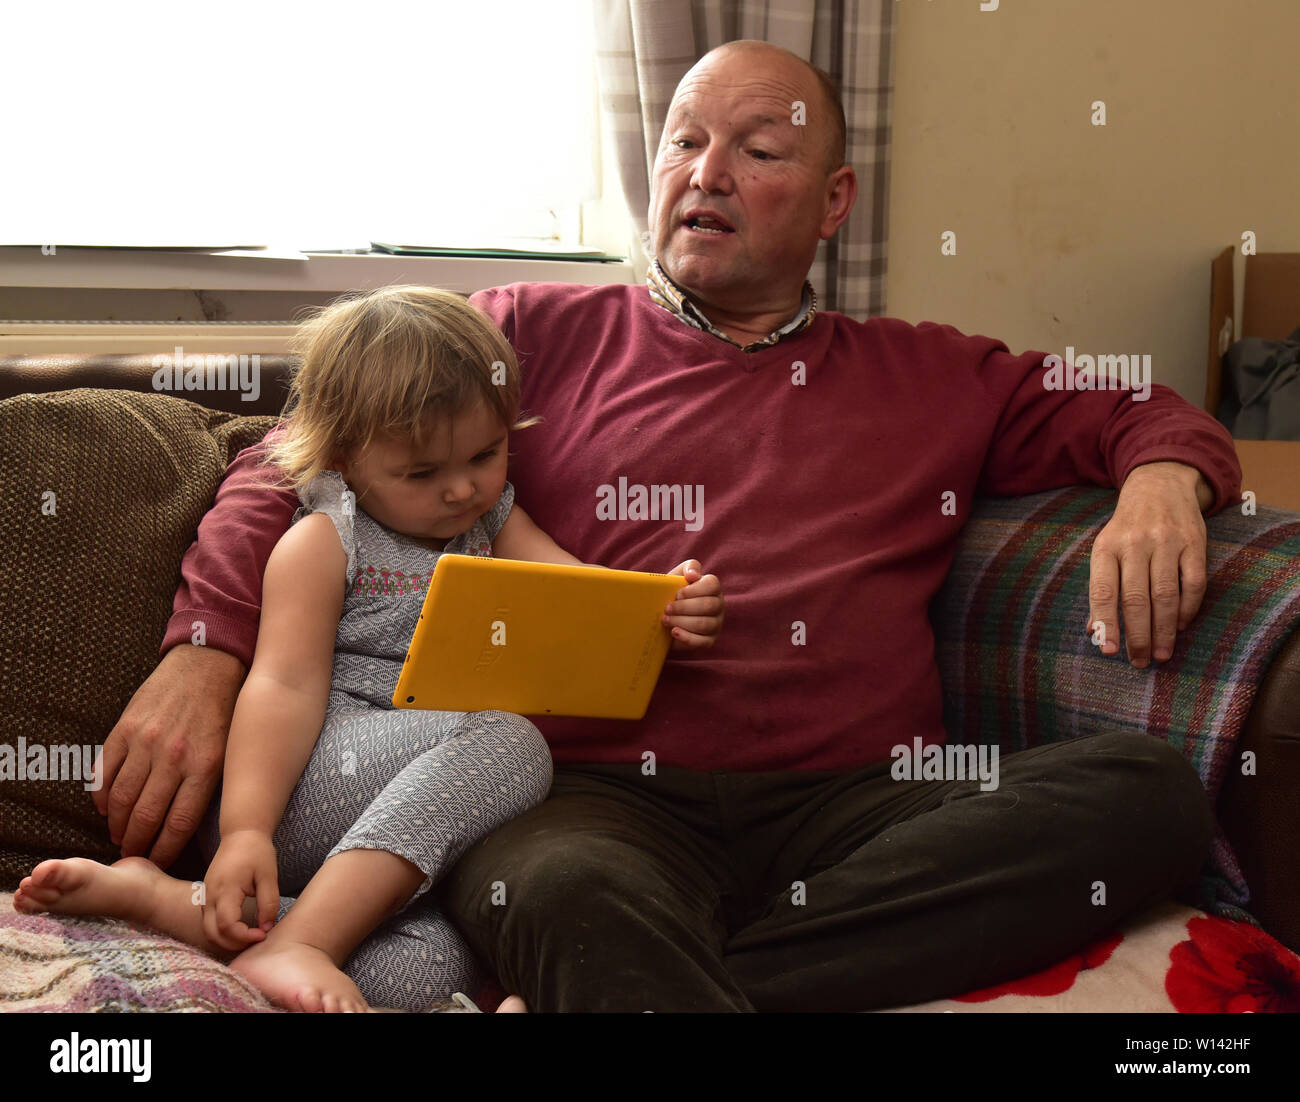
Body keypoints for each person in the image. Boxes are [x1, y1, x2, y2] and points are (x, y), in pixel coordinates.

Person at [88, 40, 1239, 1012]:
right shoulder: (521, 329)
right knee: (555, 892)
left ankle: (678, 982)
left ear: (834, 200)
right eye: (684, 142)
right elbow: (293, 459)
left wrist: (1161, 478)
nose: (708, 172)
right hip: (588, 801)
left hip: (858, 803)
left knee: (1147, 796)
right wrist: (208, 650)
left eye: (759, 150)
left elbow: (1130, 402)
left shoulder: (932, 372)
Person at [13, 285, 726, 1012]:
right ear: (347, 458)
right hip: (307, 782)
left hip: (403, 816)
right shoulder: (325, 540)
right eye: (422, 473)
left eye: (485, 454)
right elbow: (281, 687)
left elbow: (582, 595)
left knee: (431, 964)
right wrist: (245, 832)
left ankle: (184, 912)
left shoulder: (493, 518)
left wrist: (663, 603)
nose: (461, 490)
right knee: (513, 742)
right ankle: (302, 943)